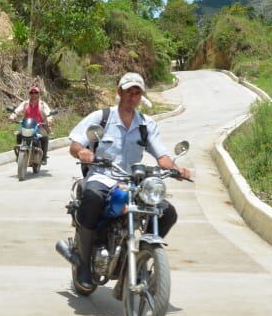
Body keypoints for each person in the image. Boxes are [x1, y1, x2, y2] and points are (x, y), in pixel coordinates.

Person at [67, 71, 192, 290]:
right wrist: (82, 153)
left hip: (133, 182)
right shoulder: (102, 117)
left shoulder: (146, 124)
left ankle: (142, 256)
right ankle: (85, 264)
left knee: (167, 212)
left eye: (137, 93)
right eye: (129, 92)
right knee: (92, 196)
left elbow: (161, 156)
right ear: (119, 92)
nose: (132, 97)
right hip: (103, 176)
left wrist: (176, 169)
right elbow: (75, 143)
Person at [9, 85, 52, 163]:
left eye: (36, 92)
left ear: (39, 94)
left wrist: (49, 119)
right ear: (29, 94)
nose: (34, 94)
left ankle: (44, 157)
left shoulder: (42, 104)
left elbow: (48, 113)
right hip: (27, 125)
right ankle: (19, 155)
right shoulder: (25, 104)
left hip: (39, 126)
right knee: (19, 134)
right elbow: (18, 110)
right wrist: (13, 115)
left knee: (44, 137)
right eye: (31, 92)